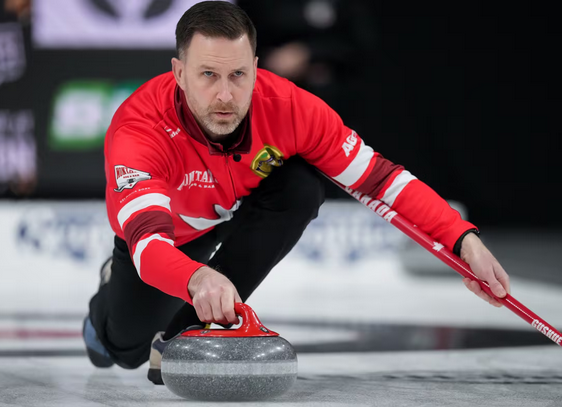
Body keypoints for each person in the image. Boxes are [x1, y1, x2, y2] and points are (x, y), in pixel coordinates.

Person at [83, 1, 511, 385]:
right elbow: (148, 243)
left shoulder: (291, 107)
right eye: (208, 75)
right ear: (179, 73)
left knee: (302, 186)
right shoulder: (139, 129)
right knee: (121, 351)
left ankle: (186, 333)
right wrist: (197, 277)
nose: (225, 95)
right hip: (165, 239)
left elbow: (380, 180)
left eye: (238, 75)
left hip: (229, 213)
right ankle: (108, 307)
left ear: (255, 65)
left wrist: (463, 240)